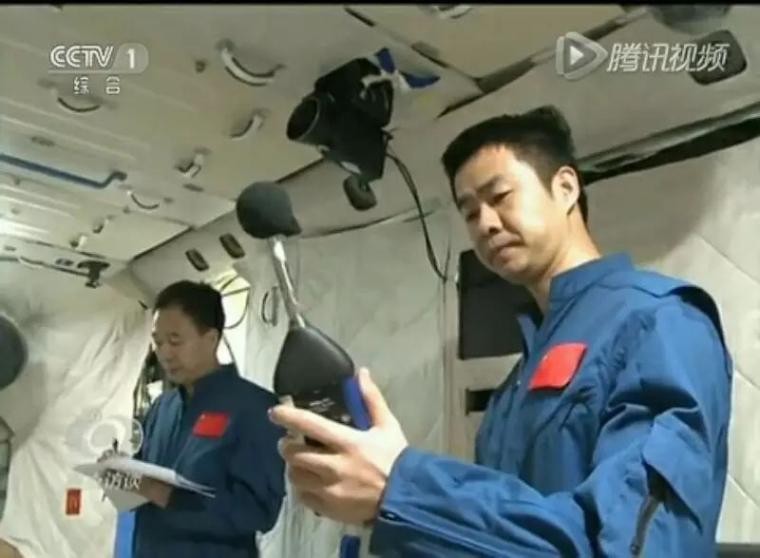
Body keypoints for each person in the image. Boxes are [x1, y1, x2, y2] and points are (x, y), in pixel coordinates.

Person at [269, 106, 734, 556]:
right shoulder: (516, 384)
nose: (486, 224)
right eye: (470, 213)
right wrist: (379, 502)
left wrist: (401, 490)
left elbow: (624, 546)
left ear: (566, 188)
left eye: (500, 196)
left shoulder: (659, 320)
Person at [130, 280, 286, 558]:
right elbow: (143, 481)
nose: (164, 353)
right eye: (158, 341)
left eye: (175, 341)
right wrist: (122, 475)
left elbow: (258, 512)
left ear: (211, 339)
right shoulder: (162, 407)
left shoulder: (254, 408)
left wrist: (169, 497)